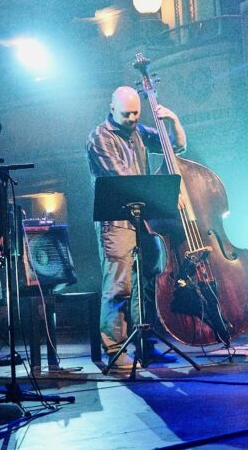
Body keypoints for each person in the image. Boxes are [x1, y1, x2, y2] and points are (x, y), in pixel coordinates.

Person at [86, 86, 186, 369]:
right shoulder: (99, 138)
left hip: (142, 220)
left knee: (146, 282)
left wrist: (173, 121)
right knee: (119, 287)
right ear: (112, 108)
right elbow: (126, 180)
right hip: (116, 223)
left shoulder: (139, 131)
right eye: (126, 113)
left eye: (135, 113)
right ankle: (115, 350)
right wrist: (165, 195)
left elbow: (175, 147)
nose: (131, 118)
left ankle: (144, 343)